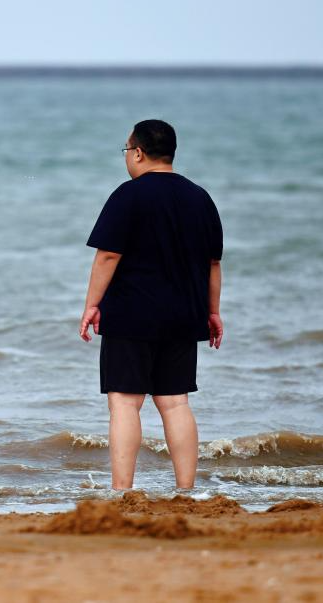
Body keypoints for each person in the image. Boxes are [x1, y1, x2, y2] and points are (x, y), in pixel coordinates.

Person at [79, 119, 223, 491]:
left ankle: (122, 490)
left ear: (138, 152)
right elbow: (213, 264)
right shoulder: (200, 198)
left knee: (125, 404)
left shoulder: (128, 195)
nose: (127, 157)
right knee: (176, 404)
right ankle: (186, 490)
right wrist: (212, 312)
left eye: (127, 150)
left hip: (131, 314)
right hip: (183, 315)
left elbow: (109, 255)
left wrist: (91, 305)